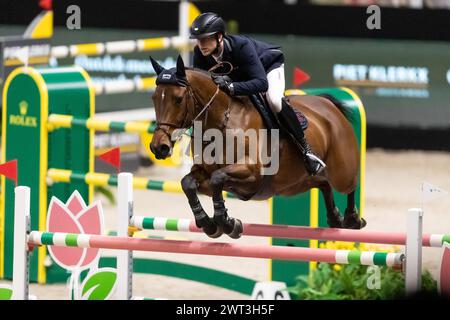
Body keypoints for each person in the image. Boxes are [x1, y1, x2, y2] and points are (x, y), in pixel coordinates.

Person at [190, 12, 326, 176]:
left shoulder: (241, 46)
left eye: (205, 39)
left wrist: (232, 87)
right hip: (240, 77)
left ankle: (306, 150)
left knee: (274, 100)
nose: (201, 44)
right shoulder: (200, 53)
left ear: (219, 36)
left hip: (268, 67)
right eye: (198, 39)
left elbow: (261, 83)